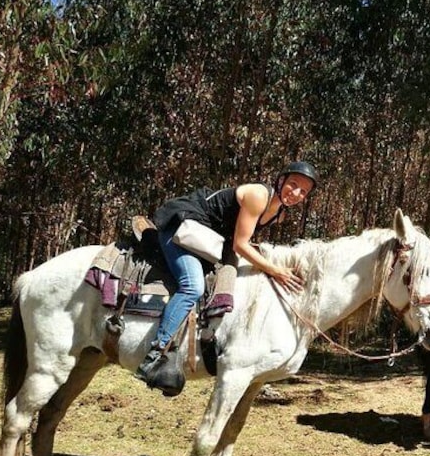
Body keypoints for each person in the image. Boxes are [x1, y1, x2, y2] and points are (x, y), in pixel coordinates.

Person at [136, 161, 319, 395]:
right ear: (281, 180)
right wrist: (275, 270)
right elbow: (240, 245)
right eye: (293, 185)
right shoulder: (258, 196)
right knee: (192, 286)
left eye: (303, 192)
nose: (295, 193)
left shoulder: (279, 215)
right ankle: (155, 354)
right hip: (185, 227)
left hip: (208, 241)